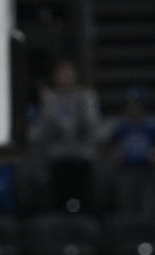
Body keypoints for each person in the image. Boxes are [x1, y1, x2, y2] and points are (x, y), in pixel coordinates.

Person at [33, 59, 101, 213]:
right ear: (56, 76)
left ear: (75, 76)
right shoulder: (50, 99)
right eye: (62, 74)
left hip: (82, 158)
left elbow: (92, 128)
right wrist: (48, 106)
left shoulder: (87, 97)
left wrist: (82, 108)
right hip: (58, 159)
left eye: (69, 74)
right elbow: (44, 132)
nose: (65, 78)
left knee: (85, 204)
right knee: (59, 204)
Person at [107, 87, 155, 215]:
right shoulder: (121, 128)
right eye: (132, 105)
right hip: (126, 171)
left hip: (147, 171)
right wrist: (115, 153)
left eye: (138, 105)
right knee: (126, 205)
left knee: (147, 206)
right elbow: (110, 146)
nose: (135, 108)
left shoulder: (152, 127)